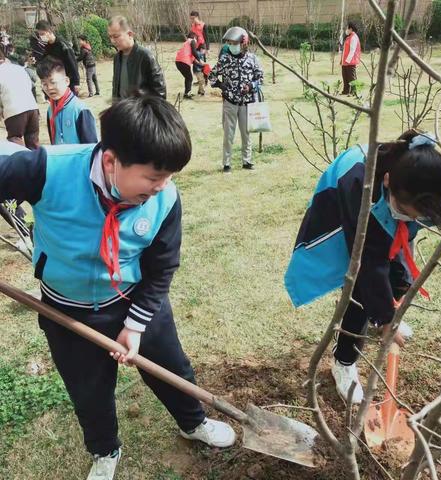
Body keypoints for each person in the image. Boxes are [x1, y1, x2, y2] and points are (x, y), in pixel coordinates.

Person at [0, 94, 236, 480]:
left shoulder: (164, 200)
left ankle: (193, 423)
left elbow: (162, 267)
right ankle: (104, 449)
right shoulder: (47, 169)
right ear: (111, 161)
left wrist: (137, 324)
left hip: (134, 298)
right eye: (153, 176)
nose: (163, 187)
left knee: (171, 368)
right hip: (66, 308)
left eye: (170, 176)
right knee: (87, 389)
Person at [284, 131, 441, 404]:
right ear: (387, 182)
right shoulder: (359, 184)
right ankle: (344, 360)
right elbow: (368, 262)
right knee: (359, 285)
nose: (411, 219)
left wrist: (389, 307)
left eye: (416, 216)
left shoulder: (418, 182)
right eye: (407, 212)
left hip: (385, 202)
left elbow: (399, 241)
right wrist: (385, 318)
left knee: (394, 263)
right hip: (342, 204)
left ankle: (385, 312)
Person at [209, 26, 264, 173]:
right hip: (230, 103)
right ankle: (226, 163)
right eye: (229, 43)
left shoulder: (253, 59)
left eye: (234, 43)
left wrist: (251, 86)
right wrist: (221, 85)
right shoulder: (225, 59)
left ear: (244, 43)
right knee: (228, 134)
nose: (231, 46)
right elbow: (212, 75)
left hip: (247, 104)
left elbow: (260, 78)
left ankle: (247, 161)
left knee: (246, 134)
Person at [37, 56, 97, 145]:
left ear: (66, 81)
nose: (49, 88)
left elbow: (91, 146)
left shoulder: (80, 109)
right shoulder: (50, 109)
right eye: (44, 84)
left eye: (53, 82)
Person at [108, 15, 166, 101]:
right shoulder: (117, 58)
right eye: (110, 37)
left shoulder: (146, 56)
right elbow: (116, 89)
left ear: (130, 34)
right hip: (122, 110)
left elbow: (160, 92)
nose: (112, 41)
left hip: (140, 112)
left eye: (116, 36)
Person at [0, 50, 39, 149]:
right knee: (32, 140)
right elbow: (30, 85)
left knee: (15, 139)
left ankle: (21, 163)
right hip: (32, 107)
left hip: (14, 110)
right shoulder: (18, 68)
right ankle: (37, 162)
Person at [35, 20, 80, 95]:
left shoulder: (63, 45)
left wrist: (76, 82)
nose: (41, 37)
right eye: (39, 34)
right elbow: (45, 62)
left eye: (42, 34)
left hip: (67, 82)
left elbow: (73, 63)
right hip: (55, 81)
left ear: (49, 32)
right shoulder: (47, 47)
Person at [175, 32, 203, 99]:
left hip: (178, 62)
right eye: (196, 38)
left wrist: (202, 65)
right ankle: (187, 94)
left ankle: (187, 93)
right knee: (189, 78)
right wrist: (199, 59)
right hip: (183, 62)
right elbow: (194, 52)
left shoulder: (186, 44)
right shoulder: (192, 41)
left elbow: (193, 60)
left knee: (188, 77)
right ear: (194, 37)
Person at [340, 21, 361, 95]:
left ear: (351, 29)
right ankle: (346, 91)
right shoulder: (349, 37)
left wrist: (347, 61)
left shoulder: (354, 37)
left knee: (351, 77)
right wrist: (342, 60)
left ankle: (354, 91)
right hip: (345, 61)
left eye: (347, 28)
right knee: (345, 77)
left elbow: (352, 50)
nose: (346, 30)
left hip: (350, 61)